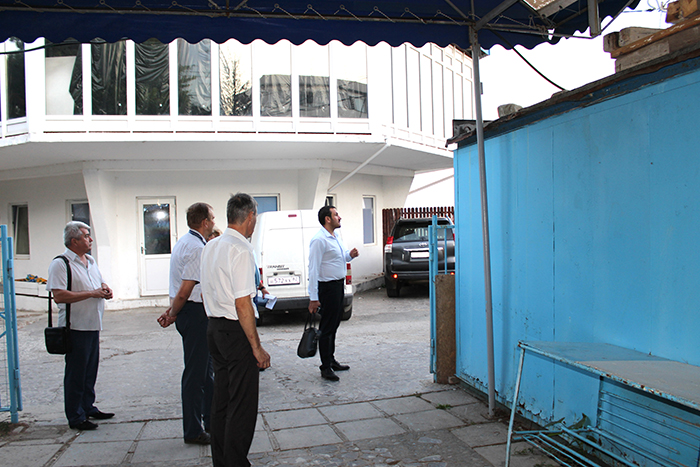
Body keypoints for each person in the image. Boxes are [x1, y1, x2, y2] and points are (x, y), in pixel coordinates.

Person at [200, 193, 271, 467]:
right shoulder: (241, 249)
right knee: (242, 405)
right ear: (250, 216)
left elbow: (207, 292)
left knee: (222, 401)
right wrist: (256, 347)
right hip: (234, 331)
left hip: (214, 328)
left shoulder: (211, 245)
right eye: (256, 217)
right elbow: (243, 303)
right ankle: (235, 462)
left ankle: (222, 460)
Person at [157, 203, 215, 445]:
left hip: (191, 312)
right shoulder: (196, 247)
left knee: (207, 374)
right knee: (195, 375)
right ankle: (193, 430)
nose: (214, 222)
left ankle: (211, 421)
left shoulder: (186, 242)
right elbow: (185, 290)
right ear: (204, 222)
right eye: (212, 218)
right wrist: (173, 313)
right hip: (194, 313)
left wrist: (173, 311)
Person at [47, 221, 114, 430]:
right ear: (74, 241)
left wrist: (104, 289)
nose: (90, 239)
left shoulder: (90, 261)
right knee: (76, 373)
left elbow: (98, 283)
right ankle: (75, 416)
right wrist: (92, 293)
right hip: (75, 326)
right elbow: (59, 295)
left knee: (90, 371)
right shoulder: (61, 264)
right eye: (86, 236)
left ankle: (88, 407)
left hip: (93, 323)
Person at [308, 205, 359, 381]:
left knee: (334, 324)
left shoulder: (335, 237)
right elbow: (313, 269)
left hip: (338, 286)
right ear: (327, 219)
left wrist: (350, 255)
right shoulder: (319, 240)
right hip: (327, 288)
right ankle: (325, 367)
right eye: (336, 215)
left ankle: (331, 359)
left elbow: (341, 257)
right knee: (327, 327)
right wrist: (313, 298)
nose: (340, 217)